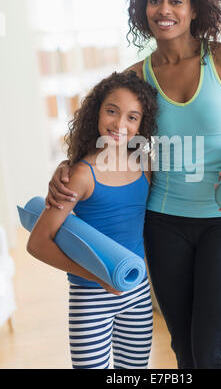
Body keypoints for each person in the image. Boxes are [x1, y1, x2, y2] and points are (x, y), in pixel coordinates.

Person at [46, 0, 221, 369]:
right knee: (185, 351)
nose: (165, 10)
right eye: (154, 1)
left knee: (215, 353)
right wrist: (66, 167)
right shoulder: (136, 77)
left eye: (176, 1)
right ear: (143, 9)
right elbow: (107, 140)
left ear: (194, 7)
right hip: (162, 223)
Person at [27, 71, 158, 369]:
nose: (119, 124)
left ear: (142, 125)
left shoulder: (145, 166)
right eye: (112, 111)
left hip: (137, 294)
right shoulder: (82, 175)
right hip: (91, 299)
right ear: (96, 111)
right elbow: (37, 243)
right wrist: (96, 277)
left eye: (132, 117)